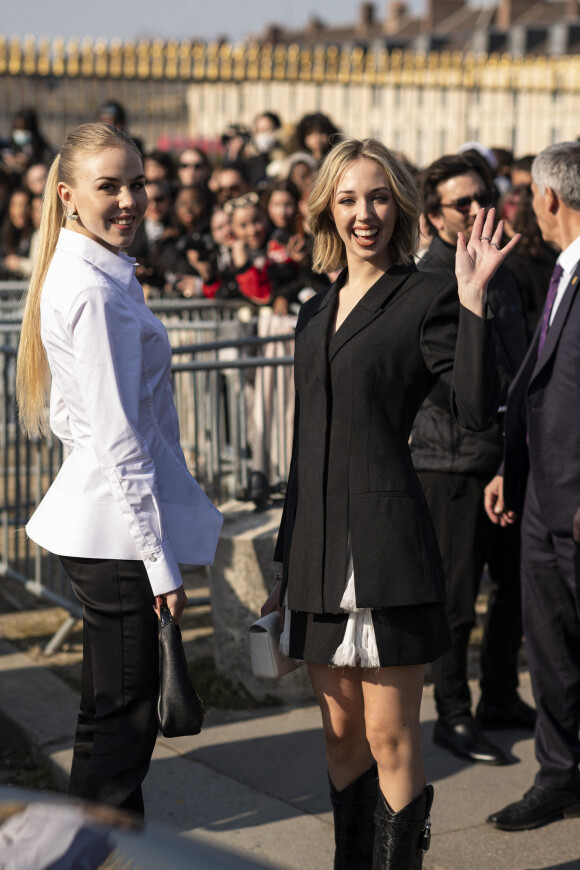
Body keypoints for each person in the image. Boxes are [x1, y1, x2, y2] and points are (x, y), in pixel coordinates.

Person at [261, 137, 518, 869]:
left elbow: (474, 411)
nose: (363, 213)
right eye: (347, 199)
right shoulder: (315, 311)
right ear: (327, 210)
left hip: (386, 546)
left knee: (390, 738)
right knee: (340, 737)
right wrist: (282, 563)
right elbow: (305, 445)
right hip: (313, 551)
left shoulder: (425, 294)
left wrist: (472, 303)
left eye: (377, 197)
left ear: (398, 205)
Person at [15, 122, 222, 815]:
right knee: (123, 731)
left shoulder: (97, 274)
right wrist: (159, 563)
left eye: (137, 182)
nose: (131, 199)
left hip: (103, 527)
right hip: (114, 534)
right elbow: (119, 443)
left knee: (106, 716)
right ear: (70, 196)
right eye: (111, 186)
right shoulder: (94, 289)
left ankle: (83, 851)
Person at [410, 153, 533, 768]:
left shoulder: (506, 268)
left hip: (511, 457)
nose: (479, 209)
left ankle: (501, 695)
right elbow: (449, 388)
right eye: (463, 203)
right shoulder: (432, 281)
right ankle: (452, 715)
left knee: (513, 589)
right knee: (457, 600)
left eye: (485, 195)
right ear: (433, 218)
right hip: (454, 464)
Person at [484, 141, 580, 832]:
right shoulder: (559, 271)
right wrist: (508, 471)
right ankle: (561, 774)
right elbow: (538, 386)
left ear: (549, 198)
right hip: (543, 498)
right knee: (550, 653)